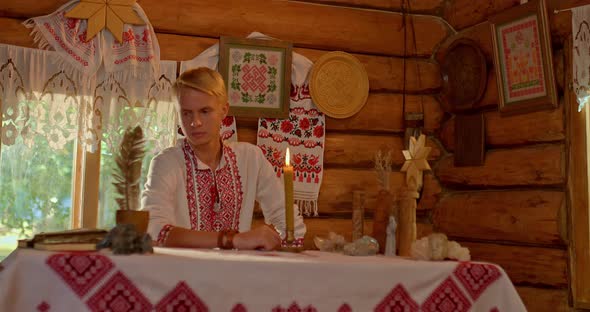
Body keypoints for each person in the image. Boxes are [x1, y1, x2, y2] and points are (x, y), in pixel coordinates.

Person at [141, 67, 305, 250]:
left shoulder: (250, 158)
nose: (195, 122)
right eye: (186, 113)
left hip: (237, 275)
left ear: (224, 110)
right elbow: (153, 230)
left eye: (205, 111)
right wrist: (232, 240)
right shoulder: (166, 163)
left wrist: (283, 251)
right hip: (184, 274)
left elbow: (288, 219)